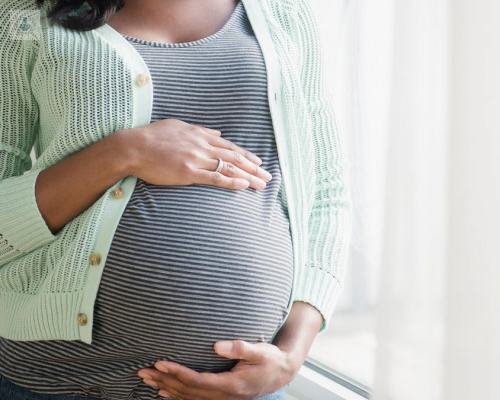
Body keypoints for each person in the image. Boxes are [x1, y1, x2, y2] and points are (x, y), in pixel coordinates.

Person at [0, 0, 353, 399]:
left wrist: (291, 354)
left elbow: (325, 194)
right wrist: (122, 153)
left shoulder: (285, 14)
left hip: (244, 386)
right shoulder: (24, 14)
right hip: (59, 380)